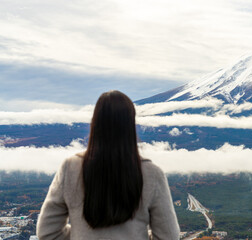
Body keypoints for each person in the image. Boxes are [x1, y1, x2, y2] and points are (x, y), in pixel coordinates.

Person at [37, 90, 180, 240]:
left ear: (95, 123)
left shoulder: (70, 168)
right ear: (131, 125)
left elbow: (48, 232)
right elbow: (169, 236)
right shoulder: (151, 173)